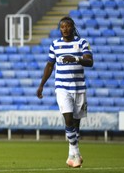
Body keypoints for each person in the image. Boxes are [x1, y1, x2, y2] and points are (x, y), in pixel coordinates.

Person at [36, 17, 93, 168]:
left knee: (76, 123)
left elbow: (90, 61)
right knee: (68, 119)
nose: (65, 29)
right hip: (62, 88)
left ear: (73, 27)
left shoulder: (82, 43)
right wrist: (41, 85)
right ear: (60, 29)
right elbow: (49, 65)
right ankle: (77, 153)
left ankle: (71, 155)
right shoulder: (55, 44)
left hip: (79, 88)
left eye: (67, 26)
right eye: (62, 27)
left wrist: (75, 58)